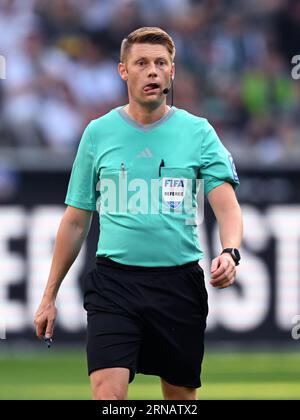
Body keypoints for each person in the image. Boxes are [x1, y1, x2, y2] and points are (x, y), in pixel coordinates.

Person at [34, 27, 243, 400]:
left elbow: (227, 206)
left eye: (161, 63)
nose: (152, 71)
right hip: (115, 285)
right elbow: (76, 220)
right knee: (107, 394)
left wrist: (230, 250)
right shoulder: (98, 134)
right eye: (142, 63)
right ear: (123, 71)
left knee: (179, 400)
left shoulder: (198, 133)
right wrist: (49, 294)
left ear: (172, 72)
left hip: (179, 285)